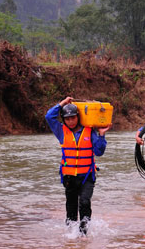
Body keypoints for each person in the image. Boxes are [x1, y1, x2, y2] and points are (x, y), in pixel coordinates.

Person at [45, 96, 111, 234]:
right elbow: (49, 116)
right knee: (71, 207)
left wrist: (102, 135)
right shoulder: (61, 131)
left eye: (73, 117)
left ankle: (84, 233)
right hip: (69, 177)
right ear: (64, 119)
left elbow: (99, 152)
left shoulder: (89, 131)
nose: (71, 121)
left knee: (85, 202)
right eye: (67, 118)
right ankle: (71, 236)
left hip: (87, 176)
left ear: (78, 117)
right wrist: (62, 103)